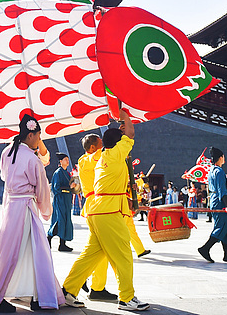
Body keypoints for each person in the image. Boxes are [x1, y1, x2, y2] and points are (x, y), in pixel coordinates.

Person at [62, 109, 150, 312]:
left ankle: (68, 290)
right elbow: (131, 134)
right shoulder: (116, 153)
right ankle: (127, 298)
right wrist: (125, 116)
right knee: (123, 254)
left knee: (92, 254)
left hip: (97, 210)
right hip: (108, 211)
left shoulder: (100, 158)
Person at [0, 114, 65, 313]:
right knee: (36, 251)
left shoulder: (6, 151)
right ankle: (38, 296)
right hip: (26, 209)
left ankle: (17, 293)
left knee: (8, 252)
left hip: (11, 205)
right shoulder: (32, 159)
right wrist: (46, 211)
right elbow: (42, 189)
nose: (39, 139)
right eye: (38, 135)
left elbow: (3, 175)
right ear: (30, 135)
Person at [75, 133, 118, 302]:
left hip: (101, 204)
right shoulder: (86, 160)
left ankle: (96, 286)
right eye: (101, 144)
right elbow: (103, 155)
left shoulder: (94, 158)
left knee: (100, 250)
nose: (104, 146)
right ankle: (86, 282)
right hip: (97, 205)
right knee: (100, 250)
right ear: (93, 148)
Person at [198, 147, 227, 263]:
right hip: (220, 202)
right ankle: (205, 248)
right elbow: (222, 190)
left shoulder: (211, 171)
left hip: (215, 200)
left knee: (226, 226)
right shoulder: (219, 171)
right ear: (220, 158)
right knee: (221, 226)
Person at [47, 152, 74, 252]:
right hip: (60, 200)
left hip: (66, 200)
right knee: (59, 221)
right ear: (61, 161)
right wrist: (68, 187)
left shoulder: (67, 173)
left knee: (66, 221)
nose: (67, 161)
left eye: (67, 159)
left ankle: (62, 244)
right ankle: (48, 237)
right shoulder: (58, 173)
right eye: (65, 159)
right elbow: (56, 188)